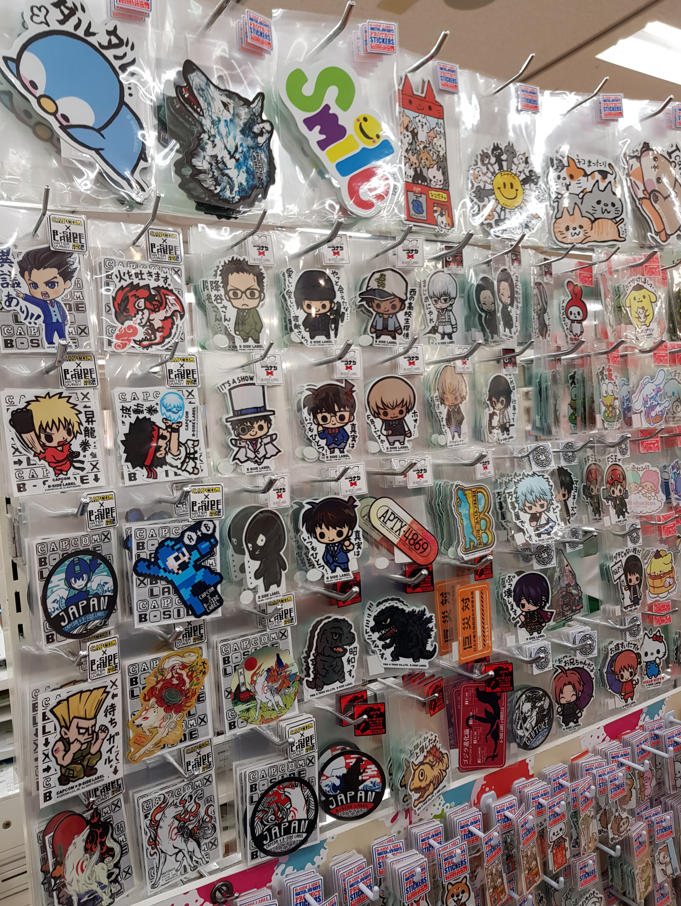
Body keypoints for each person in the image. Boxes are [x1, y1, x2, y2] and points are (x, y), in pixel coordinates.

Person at [9, 391, 83, 477]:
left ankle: (64, 473)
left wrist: (71, 454)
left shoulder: (65, 446)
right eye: (49, 437)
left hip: (67, 463)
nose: (63, 438)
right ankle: (59, 473)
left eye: (69, 431)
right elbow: (35, 447)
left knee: (65, 470)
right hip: (55, 466)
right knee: (59, 471)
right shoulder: (46, 450)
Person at [15, 246, 78, 345]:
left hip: (60, 322)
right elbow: (34, 301)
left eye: (51, 284)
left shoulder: (58, 304)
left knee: (62, 334)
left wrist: (65, 320)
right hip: (49, 322)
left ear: (66, 283)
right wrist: (23, 296)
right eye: (34, 286)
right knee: (49, 335)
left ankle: (63, 343)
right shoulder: (43, 303)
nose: (43, 291)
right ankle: (50, 344)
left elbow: (63, 311)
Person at [50, 687, 109, 786]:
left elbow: (93, 751)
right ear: (65, 733)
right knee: (78, 770)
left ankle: (88, 770)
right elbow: (62, 762)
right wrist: (72, 751)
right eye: (82, 730)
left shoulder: (91, 736)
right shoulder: (60, 745)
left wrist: (101, 738)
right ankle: (65, 777)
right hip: (70, 766)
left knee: (96, 754)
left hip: (84, 763)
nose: (89, 733)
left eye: (92, 727)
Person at [302, 497, 358, 576]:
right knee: (332, 573)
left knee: (345, 571)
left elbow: (349, 548)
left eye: (339, 533)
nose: (330, 538)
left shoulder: (343, 543)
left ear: (349, 532)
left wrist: (348, 545)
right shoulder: (326, 546)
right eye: (322, 535)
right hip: (330, 563)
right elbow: (325, 553)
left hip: (343, 562)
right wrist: (325, 560)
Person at [302, 381, 357, 455]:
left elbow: (346, 436)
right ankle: (332, 452)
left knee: (341, 449)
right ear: (315, 420)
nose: (333, 421)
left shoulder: (341, 429)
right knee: (331, 450)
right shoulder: (327, 430)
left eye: (341, 417)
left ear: (351, 417)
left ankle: (341, 451)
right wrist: (320, 431)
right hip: (330, 444)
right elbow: (322, 436)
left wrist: (344, 442)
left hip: (341, 443)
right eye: (324, 418)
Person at [220, 257, 265, 345]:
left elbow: (258, 322)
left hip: (254, 333)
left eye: (252, 293)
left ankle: (255, 341)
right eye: (235, 294)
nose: (243, 299)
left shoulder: (254, 311)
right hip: (242, 333)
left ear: (261, 295)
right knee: (244, 342)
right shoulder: (237, 311)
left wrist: (257, 330)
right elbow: (237, 321)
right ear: (227, 296)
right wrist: (237, 330)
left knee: (256, 342)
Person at [358, 268, 408, 342]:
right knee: (378, 336)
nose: (385, 308)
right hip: (379, 330)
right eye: (378, 305)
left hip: (391, 331)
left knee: (392, 336)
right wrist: (373, 327)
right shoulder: (378, 316)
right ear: (370, 304)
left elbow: (396, 323)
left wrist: (398, 329)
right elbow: (375, 322)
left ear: (402, 305)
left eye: (393, 306)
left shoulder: (392, 317)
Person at [367, 376, 416, 448]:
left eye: (400, 411)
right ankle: (392, 444)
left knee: (402, 442)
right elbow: (382, 429)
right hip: (389, 437)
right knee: (391, 442)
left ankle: (402, 443)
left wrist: (407, 432)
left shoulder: (402, 420)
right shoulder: (384, 422)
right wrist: (387, 432)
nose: (393, 414)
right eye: (385, 413)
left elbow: (406, 426)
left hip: (401, 434)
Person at [294, 270, 341, 341]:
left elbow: (331, 321)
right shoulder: (309, 317)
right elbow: (305, 322)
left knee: (326, 333)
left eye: (323, 305)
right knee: (312, 335)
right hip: (313, 330)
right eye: (309, 306)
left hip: (325, 330)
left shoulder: (325, 316)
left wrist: (333, 318)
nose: (316, 308)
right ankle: (313, 336)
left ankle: (327, 336)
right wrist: (306, 327)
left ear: (332, 304)